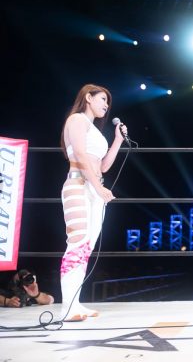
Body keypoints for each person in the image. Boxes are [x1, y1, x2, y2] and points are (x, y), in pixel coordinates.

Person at [59, 84, 126, 321]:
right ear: (88, 97)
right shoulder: (77, 120)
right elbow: (79, 153)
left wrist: (118, 140)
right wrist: (98, 187)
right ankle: (67, 307)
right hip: (79, 185)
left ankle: (75, 303)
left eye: (108, 102)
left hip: (95, 189)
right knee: (77, 243)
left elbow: (103, 166)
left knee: (86, 248)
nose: (106, 105)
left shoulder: (96, 130)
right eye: (102, 99)